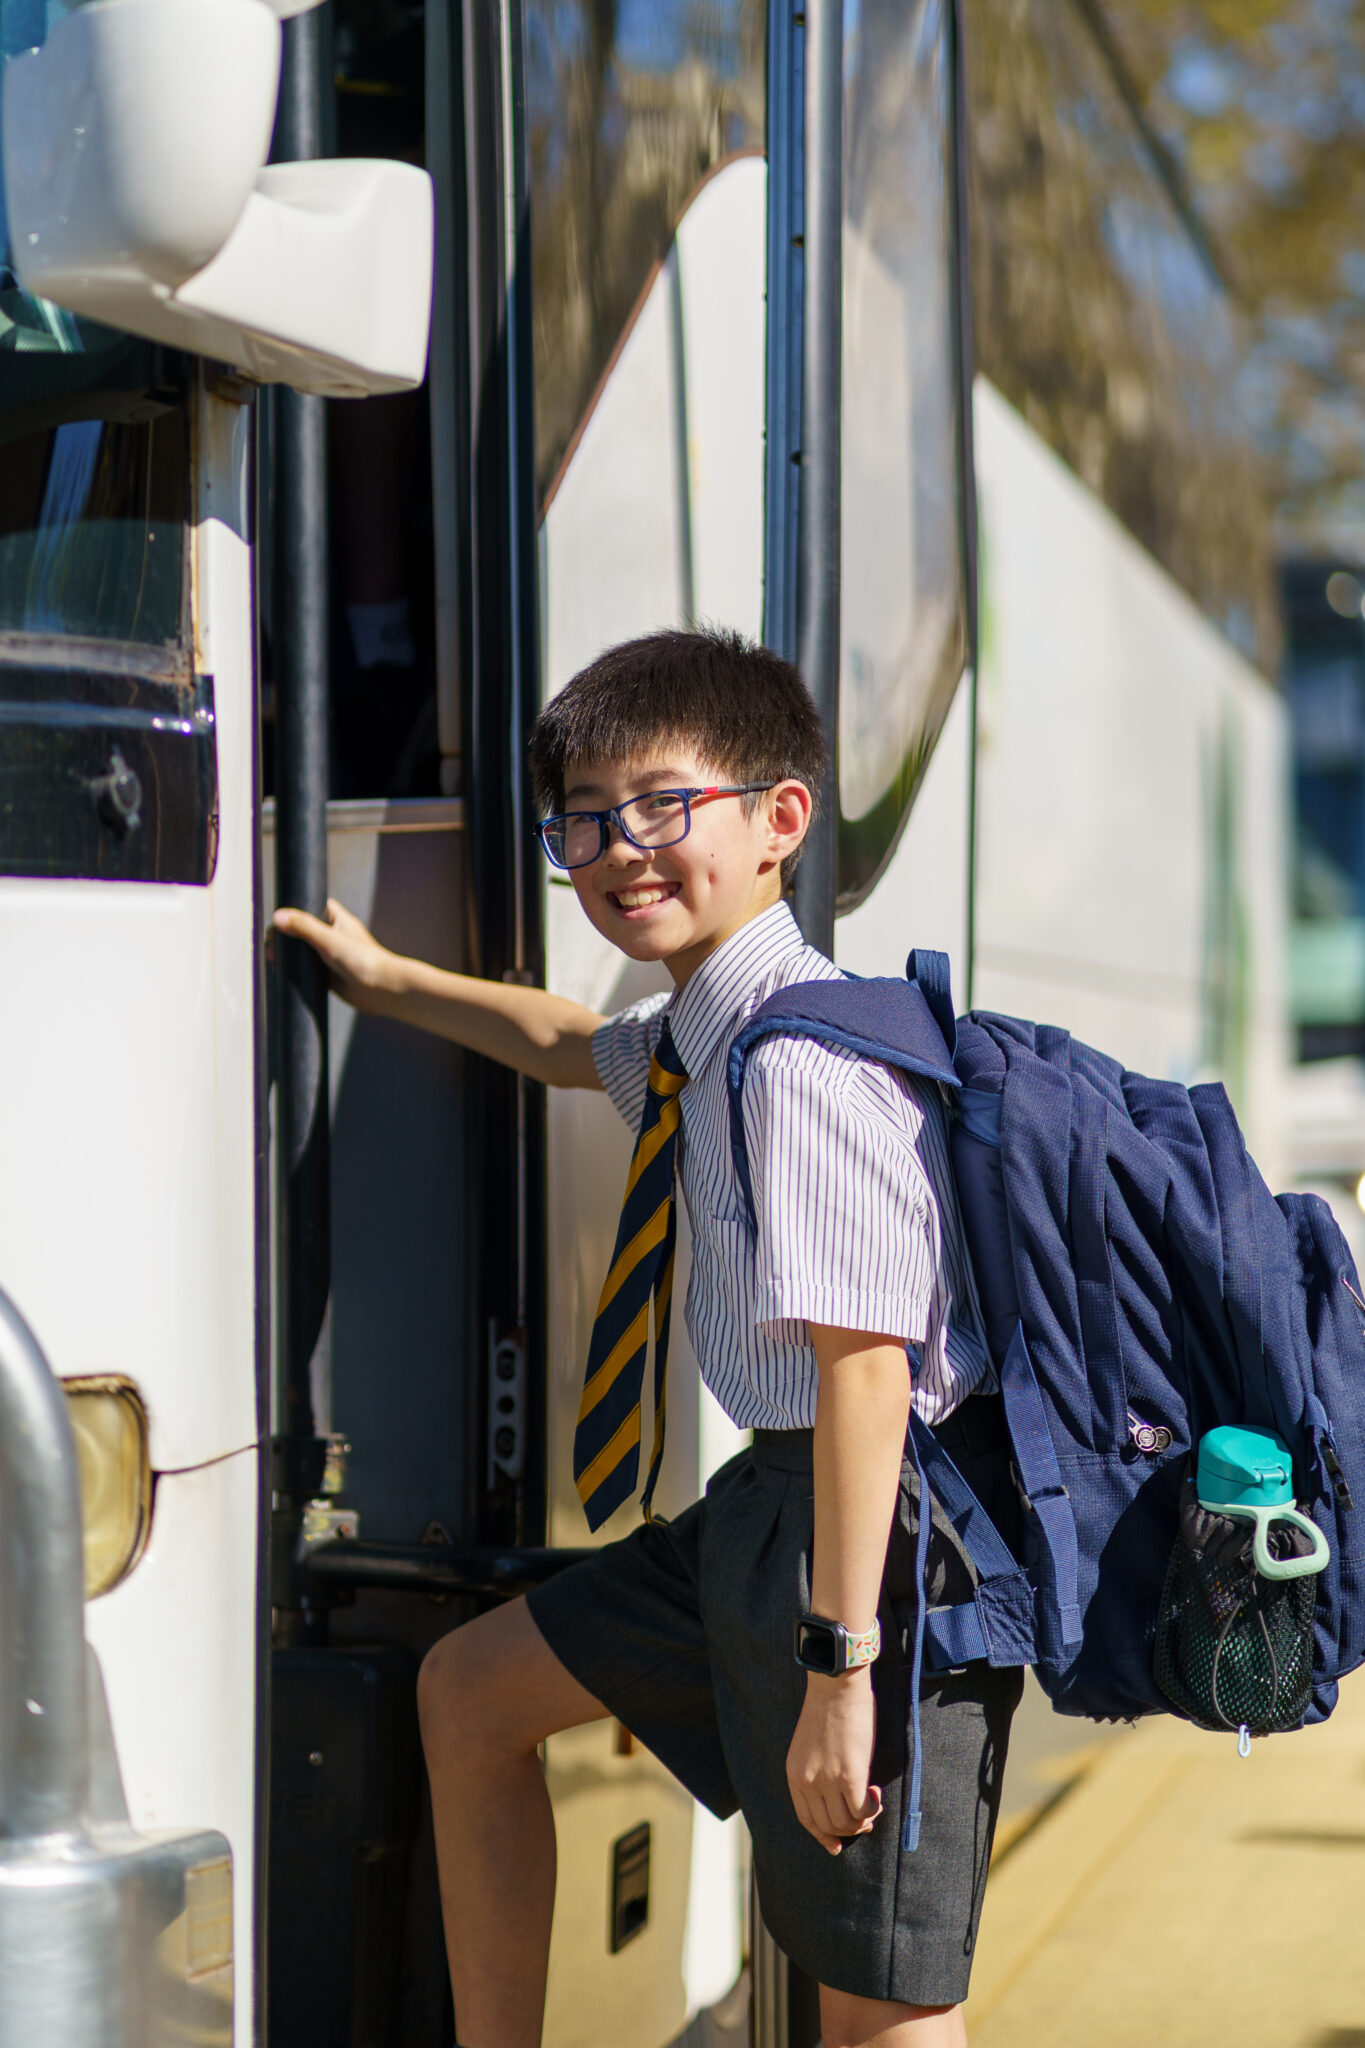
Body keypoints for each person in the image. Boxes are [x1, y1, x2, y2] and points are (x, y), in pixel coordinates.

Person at [274, 627, 1024, 2048]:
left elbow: (866, 1377)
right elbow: (569, 1042)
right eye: (584, 821)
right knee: (469, 1694)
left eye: (663, 807)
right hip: (768, 1510)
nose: (620, 849)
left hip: (881, 1543)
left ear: (780, 818)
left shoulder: (804, 1063)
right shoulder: (693, 1040)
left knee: (881, 2012)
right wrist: (386, 980)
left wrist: (841, 1673)